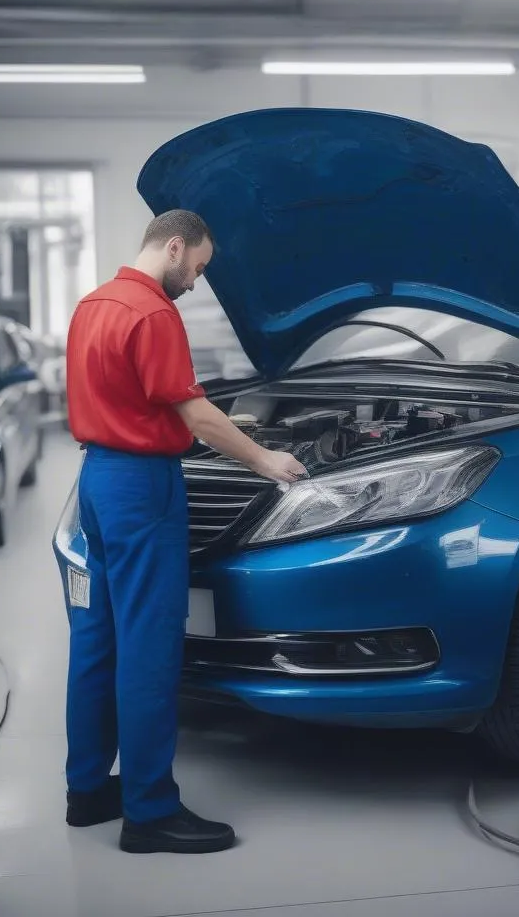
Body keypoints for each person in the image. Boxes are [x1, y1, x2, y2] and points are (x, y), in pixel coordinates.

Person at [62, 209, 307, 853]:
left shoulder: (92, 303)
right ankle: (148, 811)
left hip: (97, 481)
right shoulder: (153, 313)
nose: (195, 281)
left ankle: (87, 791)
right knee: (148, 645)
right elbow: (196, 415)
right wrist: (264, 459)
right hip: (143, 488)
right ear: (175, 247)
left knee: (97, 637)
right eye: (197, 267)